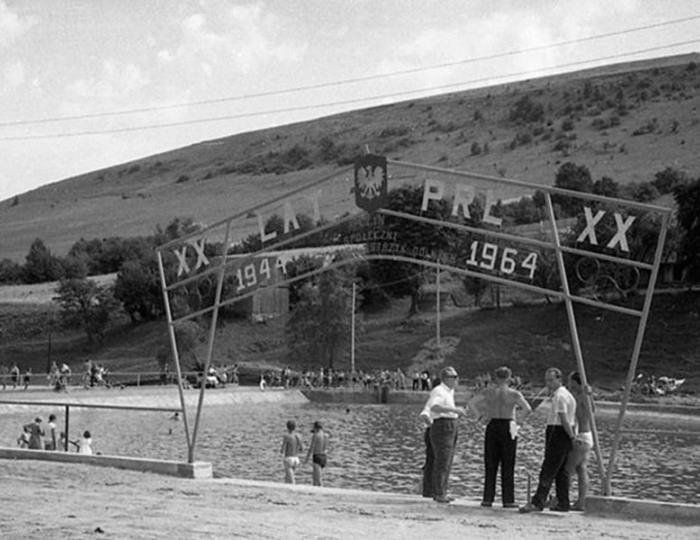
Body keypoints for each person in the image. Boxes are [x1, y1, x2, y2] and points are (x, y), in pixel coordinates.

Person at [470, 366, 532, 508]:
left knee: (490, 463)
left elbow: (471, 404)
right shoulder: (514, 394)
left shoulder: (488, 392)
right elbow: (527, 408)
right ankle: (508, 499)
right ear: (509, 378)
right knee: (508, 463)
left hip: (492, 424)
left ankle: (487, 498)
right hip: (509, 424)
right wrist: (519, 420)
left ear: (495, 378)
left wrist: (480, 417)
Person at [520, 367, 576, 513]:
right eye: (546, 381)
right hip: (562, 432)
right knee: (561, 471)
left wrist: (571, 436)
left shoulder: (560, 396)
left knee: (548, 469)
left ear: (559, 379)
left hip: (557, 432)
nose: (548, 384)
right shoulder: (566, 395)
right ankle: (563, 502)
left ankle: (538, 501)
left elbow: (563, 418)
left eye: (551, 380)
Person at [424, 366, 468, 503]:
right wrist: (454, 410)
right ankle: (438, 493)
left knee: (447, 460)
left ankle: (442, 490)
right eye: (454, 377)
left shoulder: (449, 391)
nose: (457, 379)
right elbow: (434, 407)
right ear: (446, 379)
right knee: (442, 460)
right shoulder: (439, 390)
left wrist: (456, 413)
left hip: (450, 424)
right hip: (443, 425)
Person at [565, 371, 595, 511]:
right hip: (587, 436)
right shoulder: (579, 396)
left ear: (576, 382)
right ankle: (581, 502)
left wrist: (587, 393)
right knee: (581, 469)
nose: (568, 384)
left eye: (570, 381)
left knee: (568, 470)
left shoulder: (583, 396)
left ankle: (562, 498)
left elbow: (591, 411)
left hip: (582, 436)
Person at [419, 385, 437, 498]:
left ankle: (430, 489)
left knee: (432, 461)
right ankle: (429, 490)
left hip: (432, 431)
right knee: (432, 461)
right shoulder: (434, 400)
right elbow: (424, 415)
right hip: (433, 432)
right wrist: (434, 426)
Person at [305, 421, 329, 486]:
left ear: (315, 428)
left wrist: (306, 459)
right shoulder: (326, 435)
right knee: (318, 476)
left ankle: (320, 491)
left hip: (317, 456)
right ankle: (316, 491)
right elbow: (325, 448)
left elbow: (311, 448)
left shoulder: (315, 435)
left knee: (317, 478)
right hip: (324, 457)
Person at [280, 420, 304, 484]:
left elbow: (282, 449)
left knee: (290, 478)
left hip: (289, 458)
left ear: (287, 427)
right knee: (289, 476)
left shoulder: (287, 436)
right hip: (296, 458)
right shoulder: (299, 436)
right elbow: (302, 448)